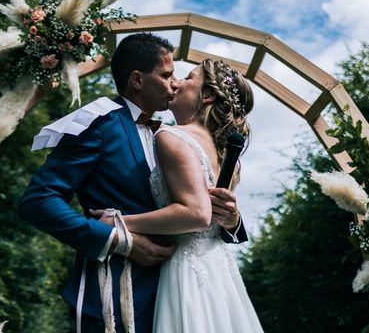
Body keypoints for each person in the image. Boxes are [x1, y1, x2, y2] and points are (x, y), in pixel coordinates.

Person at [18, 33, 247, 333]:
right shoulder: (100, 124)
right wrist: (118, 241)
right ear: (138, 80)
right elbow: (38, 201)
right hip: (117, 294)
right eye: (166, 75)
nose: (174, 83)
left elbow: (197, 211)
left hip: (182, 294)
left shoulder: (178, 136)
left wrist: (232, 219)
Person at [94, 58, 263, 332]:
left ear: (206, 95)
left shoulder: (171, 136)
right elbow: (214, 215)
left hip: (186, 270)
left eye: (188, 78)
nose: (177, 83)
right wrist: (232, 220)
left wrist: (120, 222)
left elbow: (196, 213)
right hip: (219, 271)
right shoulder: (222, 150)